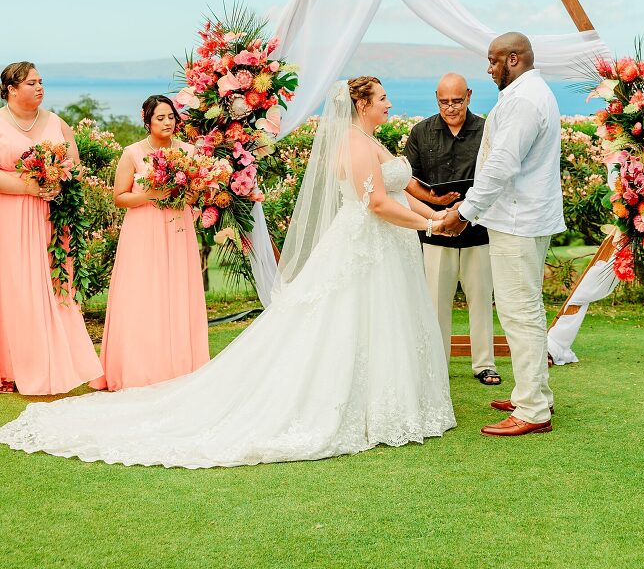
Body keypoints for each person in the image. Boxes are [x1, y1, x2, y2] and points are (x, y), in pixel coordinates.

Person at [0, 76, 455, 467]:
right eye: (382, 98)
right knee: (340, 322)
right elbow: (376, 204)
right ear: (361, 104)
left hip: (384, 247)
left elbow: (397, 191)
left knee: (375, 321)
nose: (389, 104)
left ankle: (383, 400)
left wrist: (433, 213)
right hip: (365, 243)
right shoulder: (353, 144)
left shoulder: (372, 141)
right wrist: (433, 224)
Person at [442, 32, 564, 437]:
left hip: (518, 220)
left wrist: (466, 211)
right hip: (521, 218)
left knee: (519, 313)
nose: (489, 68)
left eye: (493, 61)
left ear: (514, 59)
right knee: (526, 310)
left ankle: (533, 410)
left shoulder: (525, 100)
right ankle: (534, 394)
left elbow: (502, 164)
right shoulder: (525, 94)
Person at [92, 95, 209, 391]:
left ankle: (180, 365)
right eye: (160, 118)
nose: (167, 122)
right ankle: (140, 367)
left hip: (178, 229)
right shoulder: (132, 153)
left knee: (177, 291)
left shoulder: (188, 152)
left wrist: (189, 193)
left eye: (171, 116)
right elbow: (119, 197)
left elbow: (196, 193)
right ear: (147, 121)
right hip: (142, 231)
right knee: (142, 293)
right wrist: (150, 195)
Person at [0, 61, 103, 395]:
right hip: (9, 218)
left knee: (55, 284)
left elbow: (75, 166)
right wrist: (27, 187)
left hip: (51, 218)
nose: (40, 87)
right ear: (11, 89)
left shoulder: (56, 122)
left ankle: (53, 361)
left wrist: (59, 183)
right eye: (31, 83)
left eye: (41, 81)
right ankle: (11, 367)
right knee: (15, 288)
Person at [405, 73, 498, 385]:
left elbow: (495, 177)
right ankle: (437, 366)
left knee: (481, 300)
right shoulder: (421, 132)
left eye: (457, 101)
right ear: (436, 98)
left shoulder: (486, 130)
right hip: (435, 230)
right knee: (435, 303)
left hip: (478, 230)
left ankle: (484, 364)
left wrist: (464, 210)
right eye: (443, 102)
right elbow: (408, 181)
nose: (450, 108)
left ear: (469, 95)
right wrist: (436, 206)